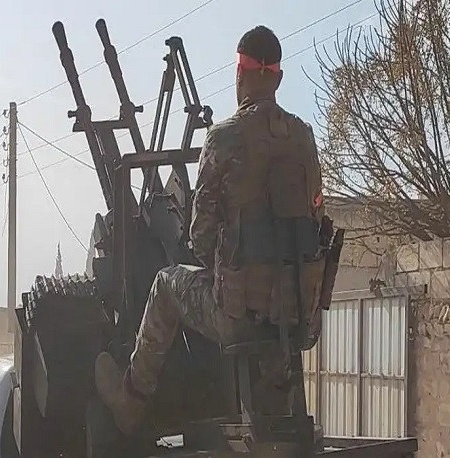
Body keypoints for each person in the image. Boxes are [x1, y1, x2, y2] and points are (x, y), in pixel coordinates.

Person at [94, 25, 327, 435]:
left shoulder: (224, 138)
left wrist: (231, 270)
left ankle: (131, 399)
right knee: (274, 290)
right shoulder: (304, 139)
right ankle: (277, 403)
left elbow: (200, 238)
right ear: (278, 79)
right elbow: (314, 221)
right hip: (298, 316)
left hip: (238, 317)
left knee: (166, 283)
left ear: (242, 75)